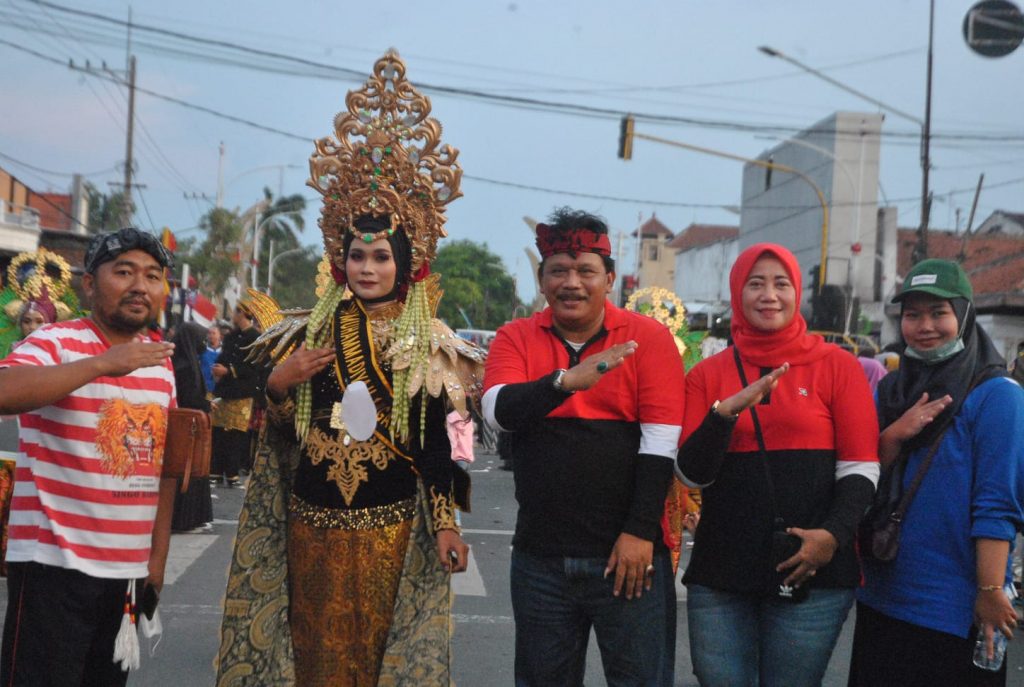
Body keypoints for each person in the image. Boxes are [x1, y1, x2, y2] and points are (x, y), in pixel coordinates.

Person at [215, 51, 484, 686]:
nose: (367, 267)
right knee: (316, 659)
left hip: (395, 523)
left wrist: (449, 520)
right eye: (356, 255)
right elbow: (282, 436)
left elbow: (456, 444)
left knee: (382, 658)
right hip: (311, 522)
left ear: (407, 262)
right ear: (340, 260)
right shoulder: (303, 330)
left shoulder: (438, 343)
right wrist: (278, 389)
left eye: (381, 256)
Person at [483, 207, 685, 686]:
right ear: (541, 280)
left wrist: (639, 533)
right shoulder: (515, 336)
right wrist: (565, 383)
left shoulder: (648, 339)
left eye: (585, 270)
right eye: (559, 271)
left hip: (629, 558)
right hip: (540, 560)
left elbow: (661, 443)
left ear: (609, 278)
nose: (571, 282)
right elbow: (496, 410)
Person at [676, 243, 879, 687]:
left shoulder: (838, 367)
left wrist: (832, 536)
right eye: (756, 283)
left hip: (812, 571)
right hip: (722, 573)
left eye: (781, 283)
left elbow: (861, 468)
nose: (769, 294)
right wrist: (723, 416)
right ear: (737, 293)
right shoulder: (707, 375)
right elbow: (691, 475)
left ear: (796, 291)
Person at [0, 227, 178, 686]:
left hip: (126, 575)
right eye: (124, 272)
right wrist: (102, 364)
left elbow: (166, 467)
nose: (140, 286)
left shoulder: (160, 362)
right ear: (89, 284)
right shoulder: (54, 342)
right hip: (52, 567)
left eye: (153, 276)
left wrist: (156, 559)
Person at [848, 259, 1024, 687]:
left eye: (938, 313)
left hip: (953, 608)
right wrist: (893, 435)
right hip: (881, 595)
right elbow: (862, 474)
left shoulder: (996, 396)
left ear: (963, 316)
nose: (924, 325)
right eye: (913, 314)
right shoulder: (892, 388)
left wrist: (987, 593)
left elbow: (997, 504)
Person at [210, 301, 260, 487]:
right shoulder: (231, 337)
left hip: (242, 392)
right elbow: (223, 356)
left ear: (243, 313)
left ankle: (232, 473)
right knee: (218, 431)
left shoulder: (255, 337)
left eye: (236, 312)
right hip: (225, 390)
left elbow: (253, 367)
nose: (233, 315)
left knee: (235, 434)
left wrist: (230, 370)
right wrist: (217, 368)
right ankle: (215, 471)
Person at [169, 322, 214, 533]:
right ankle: (184, 519)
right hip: (185, 426)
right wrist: (205, 405)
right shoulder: (184, 365)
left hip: (189, 425)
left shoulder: (185, 361)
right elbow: (188, 396)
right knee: (187, 469)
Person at [200, 324, 222, 394]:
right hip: (204, 388)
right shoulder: (201, 350)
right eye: (209, 333)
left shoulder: (225, 351)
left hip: (220, 389)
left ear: (219, 335)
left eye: (214, 333)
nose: (211, 335)